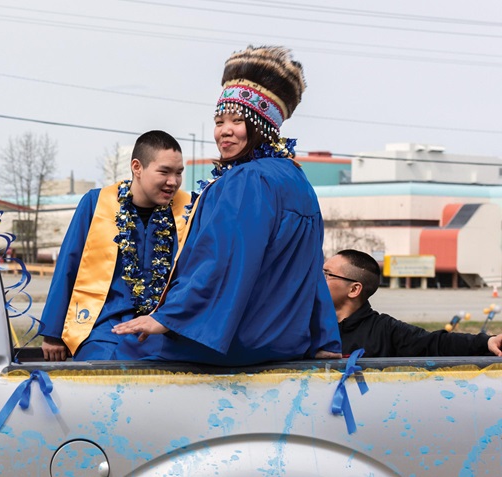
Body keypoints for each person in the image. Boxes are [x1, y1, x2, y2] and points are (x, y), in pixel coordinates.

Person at [111, 45, 341, 365]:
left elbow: (220, 257)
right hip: (285, 343)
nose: (224, 131)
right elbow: (311, 271)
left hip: (236, 341)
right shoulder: (298, 180)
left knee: (116, 348)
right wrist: (326, 335)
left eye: (238, 119)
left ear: (263, 124)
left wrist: (168, 317)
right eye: (219, 121)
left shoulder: (247, 180)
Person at [39, 130, 191, 361]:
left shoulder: (189, 209)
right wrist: (52, 332)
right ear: (137, 167)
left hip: (164, 327)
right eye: (164, 172)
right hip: (105, 327)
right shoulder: (97, 203)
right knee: (100, 368)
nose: (173, 182)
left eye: (179, 173)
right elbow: (69, 263)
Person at [325, 249, 502, 357]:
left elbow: (435, 344)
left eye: (327, 274)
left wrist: (486, 342)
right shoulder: (307, 325)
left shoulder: (385, 331)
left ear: (354, 290)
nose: (317, 280)